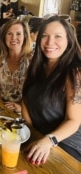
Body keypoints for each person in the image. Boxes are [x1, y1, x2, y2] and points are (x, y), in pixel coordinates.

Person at [22, 16, 81, 163]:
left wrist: (48, 141)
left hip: (65, 145)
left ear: (69, 41)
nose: (50, 42)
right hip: (40, 138)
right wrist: (30, 133)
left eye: (58, 37)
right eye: (45, 36)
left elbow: (74, 120)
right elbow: (25, 99)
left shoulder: (74, 73)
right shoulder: (36, 66)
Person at [0, 19, 33, 113]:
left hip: (25, 112)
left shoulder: (32, 61)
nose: (13, 38)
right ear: (4, 37)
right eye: (9, 34)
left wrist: (20, 107)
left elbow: (36, 94)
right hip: (2, 108)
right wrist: (1, 103)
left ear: (25, 36)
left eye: (18, 34)